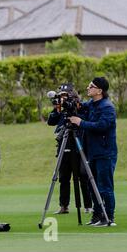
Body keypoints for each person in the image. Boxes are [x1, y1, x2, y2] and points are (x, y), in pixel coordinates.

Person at [69, 77, 117, 227]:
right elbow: (82, 106)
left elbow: (102, 126)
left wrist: (80, 122)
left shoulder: (107, 107)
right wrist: (70, 102)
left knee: (105, 186)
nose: (88, 88)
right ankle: (97, 215)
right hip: (92, 152)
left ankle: (108, 217)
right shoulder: (92, 104)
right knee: (93, 186)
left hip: (105, 152)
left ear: (99, 91)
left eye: (91, 86)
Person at [47, 85, 92, 215]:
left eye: (65, 95)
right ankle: (64, 205)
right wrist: (56, 109)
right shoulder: (61, 110)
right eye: (60, 95)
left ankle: (88, 206)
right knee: (64, 178)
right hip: (63, 146)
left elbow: (84, 120)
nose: (62, 98)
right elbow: (51, 121)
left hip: (78, 146)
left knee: (83, 177)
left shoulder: (79, 108)